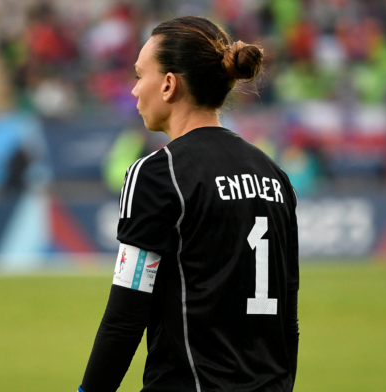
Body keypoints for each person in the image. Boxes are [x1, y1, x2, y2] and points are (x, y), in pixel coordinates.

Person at [79, 16, 299, 392]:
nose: (133, 91)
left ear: (168, 85)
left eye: (138, 75)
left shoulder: (156, 173)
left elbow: (125, 316)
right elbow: (287, 319)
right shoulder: (274, 175)